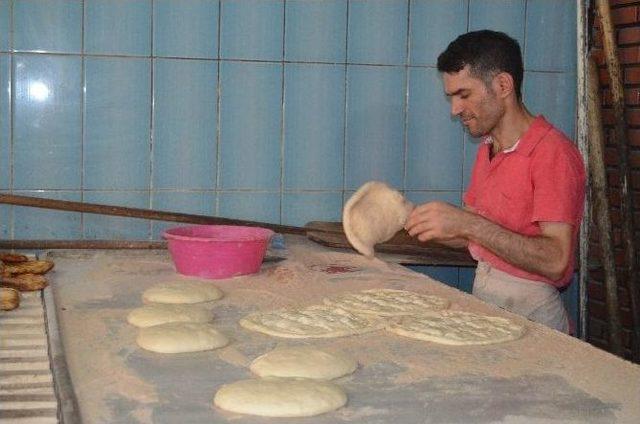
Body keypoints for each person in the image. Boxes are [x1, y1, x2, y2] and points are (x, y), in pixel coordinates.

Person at [404, 30, 586, 334]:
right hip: (490, 303)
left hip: (535, 315)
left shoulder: (552, 153)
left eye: (464, 95)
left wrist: (468, 224)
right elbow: (477, 237)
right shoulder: (489, 148)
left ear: (503, 85)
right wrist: (414, 218)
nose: (455, 109)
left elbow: (556, 259)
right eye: (452, 98)